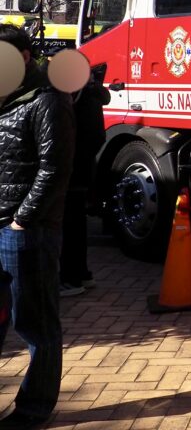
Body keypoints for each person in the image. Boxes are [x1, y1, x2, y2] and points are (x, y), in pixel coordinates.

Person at [0, 24, 75, 429]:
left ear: (24, 58)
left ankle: (33, 410)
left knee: (35, 324)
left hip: (26, 230)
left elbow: (54, 168)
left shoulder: (46, 100)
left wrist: (21, 220)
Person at [59, 73, 109, 297]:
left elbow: (83, 137)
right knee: (76, 225)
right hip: (82, 170)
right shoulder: (90, 94)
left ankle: (72, 278)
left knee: (70, 226)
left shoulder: (80, 97)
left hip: (72, 171)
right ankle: (81, 273)